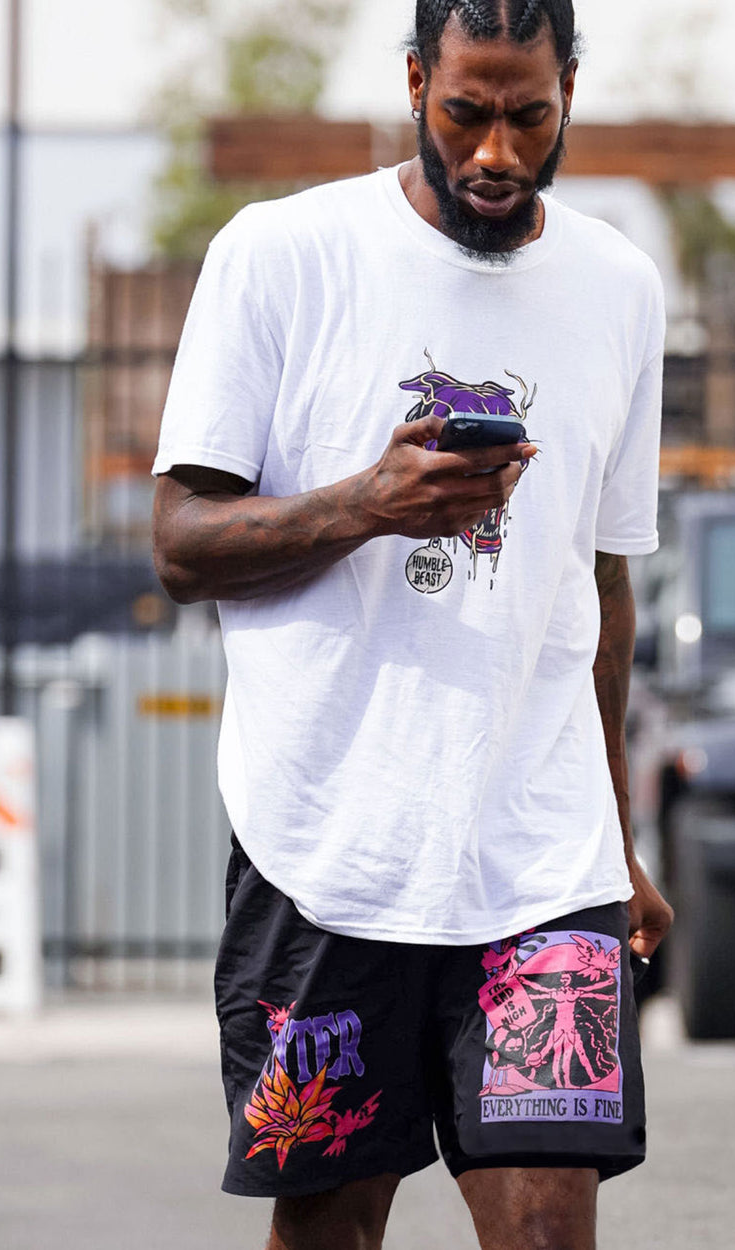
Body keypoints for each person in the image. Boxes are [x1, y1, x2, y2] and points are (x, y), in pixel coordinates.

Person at [152, 1, 673, 1245]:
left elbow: (600, 585)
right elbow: (178, 545)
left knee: (548, 1228)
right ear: (411, 86)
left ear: (568, 95)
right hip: (329, 851)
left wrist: (616, 837)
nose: (495, 151)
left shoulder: (618, 286)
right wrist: (369, 503)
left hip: (542, 857)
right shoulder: (281, 254)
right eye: (465, 113)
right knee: (328, 1229)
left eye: (527, 117)